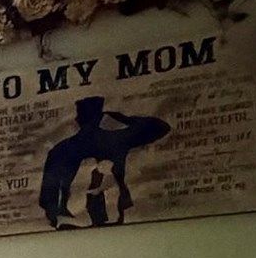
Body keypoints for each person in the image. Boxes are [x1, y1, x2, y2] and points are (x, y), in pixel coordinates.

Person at [38, 97, 170, 228]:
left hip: (95, 221)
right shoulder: (117, 140)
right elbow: (161, 127)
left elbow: (161, 127)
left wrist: (123, 120)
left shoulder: (116, 140)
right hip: (84, 222)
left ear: (80, 120)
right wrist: (124, 120)